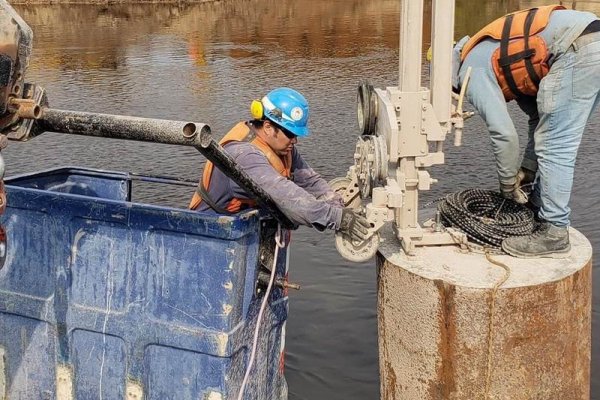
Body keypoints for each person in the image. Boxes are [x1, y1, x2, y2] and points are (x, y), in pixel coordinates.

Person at [452, 5, 600, 258]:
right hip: (590, 40)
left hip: (577, 49)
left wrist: (508, 183)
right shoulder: (503, 55)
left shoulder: (470, 69)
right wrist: (528, 169)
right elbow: (537, 119)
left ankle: (554, 232)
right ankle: (540, 204)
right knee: (557, 137)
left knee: (557, 145)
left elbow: (504, 133)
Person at [188, 87, 370, 242]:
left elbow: (310, 182)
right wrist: (338, 220)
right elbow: (289, 198)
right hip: (211, 235)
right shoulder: (245, 156)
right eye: (291, 134)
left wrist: (339, 205)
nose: (295, 141)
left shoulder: (281, 146)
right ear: (268, 127)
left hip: (246, 233)